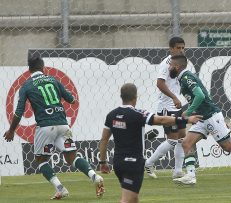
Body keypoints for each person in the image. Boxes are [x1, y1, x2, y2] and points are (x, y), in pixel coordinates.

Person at [3, 56, 104, 199]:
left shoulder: (26, 85)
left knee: (41, 161)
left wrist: (12, 130)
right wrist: (71, 99)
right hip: (63, 125)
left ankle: (61, 189)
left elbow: (19, 112)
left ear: (29, 69)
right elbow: (71, 100)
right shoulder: (53, 80)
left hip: (45, 127)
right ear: (43, 68)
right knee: (72, 158)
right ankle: (94, 175)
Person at [167, 54, 231, 185]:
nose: (169, 67)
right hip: (202, 118)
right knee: (187, 143)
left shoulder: (187, 77)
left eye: (170, 65)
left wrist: (188, 111)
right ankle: (191, 176)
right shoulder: (183, 78)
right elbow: (198, 97)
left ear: (177, 66)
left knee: (228, 147)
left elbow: (199, 95)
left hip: (210, 116)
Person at [98, 83, 201, 203]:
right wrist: (186, 119)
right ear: (135, 97)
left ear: (121, 96)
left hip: (118, 164)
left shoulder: (111, 115)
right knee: (127, 199)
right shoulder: (139, 114)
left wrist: (103, 161)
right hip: (133, 164)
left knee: (133, 198)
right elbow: (161, 120)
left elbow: (104, 139)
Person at [145, 36, 186, 179]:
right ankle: (149, 163)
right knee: (172, 140)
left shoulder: (181, 63)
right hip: (167, 107)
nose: (181, 50)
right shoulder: (166, 64)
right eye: (178, 48)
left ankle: (178, 171)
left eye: (183, 47)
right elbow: (160, 83)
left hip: (176, 106)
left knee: (182, 138)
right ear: (171, 49)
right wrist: (174, 97)